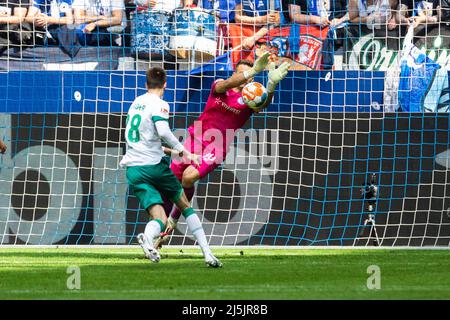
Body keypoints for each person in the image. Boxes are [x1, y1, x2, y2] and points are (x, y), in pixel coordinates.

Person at [158, 52, 290, 247]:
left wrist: (271, 85)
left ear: (250, 81)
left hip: (217, 146)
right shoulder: (220, 87)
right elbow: (224, 84)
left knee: (188, 177)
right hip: (194, 138)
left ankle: (173, 220)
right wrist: (252, 70)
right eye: (240, 74)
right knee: (170, 186)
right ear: (235, 74)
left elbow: (264, 102)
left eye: (247, 76)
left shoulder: (249, 101)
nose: (242, 80)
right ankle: (160, 229)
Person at [120, 66, 222, 268]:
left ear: (146, 84)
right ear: (165, 84)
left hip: (133, 169)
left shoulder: (135, 104)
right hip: (155, 168)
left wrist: (172, 152)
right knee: (185, 205)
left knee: (159, 217)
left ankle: (147, 239)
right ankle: (208, 254)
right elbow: (164, 132)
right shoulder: (160, 104)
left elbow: (145, 141)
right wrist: (186, 153)